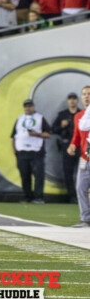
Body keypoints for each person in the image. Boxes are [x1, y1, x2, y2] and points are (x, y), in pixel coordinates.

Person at [11, 99, 51, 204]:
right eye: (26, 106)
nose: (27, 108)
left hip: (36, 152)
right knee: (24, 175)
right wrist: (15, 151)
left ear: (33, 106)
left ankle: (38, 197)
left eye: (29, 106)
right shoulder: (19, 119)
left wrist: (37, 134)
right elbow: (13, 136)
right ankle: (27, 196)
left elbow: (48, 134)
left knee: (38, 175)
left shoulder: (40, 118)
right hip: (22, 152)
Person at [53, 93, 81, 203]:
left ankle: (82, 196)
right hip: (67, 145)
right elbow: (53, 130)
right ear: (67, 101)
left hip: (80, 146)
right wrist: (61, 126)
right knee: (68, 172)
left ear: (77, 101)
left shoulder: (82, 114)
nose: (72, 101)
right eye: (70, 99)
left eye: (74, 99)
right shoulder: (62, 115)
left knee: (83, 172)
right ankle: (72, 196)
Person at [68, 86, 90, 227]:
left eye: (89, 94)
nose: (86, 97)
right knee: (80, 187)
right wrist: (72, 145)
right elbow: (77, 134)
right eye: (84, 94)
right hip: (84, 157)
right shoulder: (79, 116)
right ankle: (85, 219)